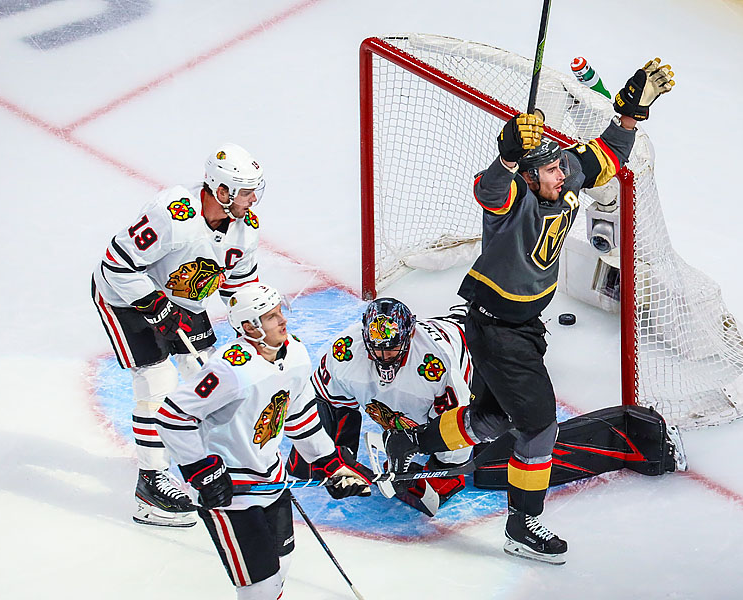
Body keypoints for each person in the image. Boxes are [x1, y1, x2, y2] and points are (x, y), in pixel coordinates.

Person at [383, 59, 678, 564]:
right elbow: (487, 189)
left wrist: (631, 113)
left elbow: (606, 153)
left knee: (493, 416)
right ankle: (523, 524)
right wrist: (506, 157)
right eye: (549, 169)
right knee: (539, 426)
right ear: (527, 173)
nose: (561, 176)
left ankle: (409, 442)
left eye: (562, 167)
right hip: (498, 329)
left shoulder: (562, 179)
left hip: (520, 325)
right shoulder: (513, 196)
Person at [154, 283, 372, 600]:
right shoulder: (230, 369)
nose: (282, 321)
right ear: (249, 327)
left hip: (272, 481)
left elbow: (300, 415)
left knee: (280, 570)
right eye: (271, 317)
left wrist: (330, 465)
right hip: (230, 493)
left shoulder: (295, 352)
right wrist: (200, 471)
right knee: (261, 587)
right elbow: (172, 416)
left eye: (280, 312)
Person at [91, 143, 266, 527]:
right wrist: (155, 306)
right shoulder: (173, 215)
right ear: (222, 191)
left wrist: (253, 323)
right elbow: (115, 264)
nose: (255, 198)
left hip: (184, 297)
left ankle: (201, 461)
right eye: (247, 190)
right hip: (126, 296)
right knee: (158, 380)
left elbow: (240, 286)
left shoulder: (244, 228)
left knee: (208, 378)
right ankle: (150, 486)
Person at [287, 298, 473, 516]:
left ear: (410, 336)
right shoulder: (345, 348)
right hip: (426, 352)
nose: (384, 358)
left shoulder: (438, 365)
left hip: (466, 345)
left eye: (392, 349)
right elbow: (323, 397)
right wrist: (329, 455)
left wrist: (445, 470)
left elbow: (459, 422)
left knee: (457, 432)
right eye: (377, 350)